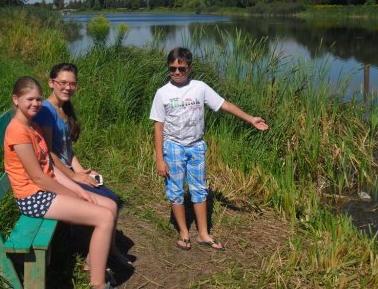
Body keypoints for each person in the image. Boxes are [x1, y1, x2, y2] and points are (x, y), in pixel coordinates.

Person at [150, 47, 269, 251]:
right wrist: (160, 159)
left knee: (199, 190)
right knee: (176, 191)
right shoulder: (162, 93)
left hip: (196, 147)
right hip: (174, 147)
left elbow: (225, 105)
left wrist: (251, 119)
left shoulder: (200, 88)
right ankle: (184, 233)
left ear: (190, 68)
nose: (177, 73)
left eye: (182, 68)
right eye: (172, 69)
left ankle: (203, 234)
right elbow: (158, 128)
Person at [4, 76, 116, 289]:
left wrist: (77, 188)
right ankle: (98, 284)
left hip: (45, 188)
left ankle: (94, 263)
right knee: (104, 217)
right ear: (16, 99)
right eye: (30, 99)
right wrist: (73, 194)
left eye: (38, 99)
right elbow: (38, 177)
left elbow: (50, 167)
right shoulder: (17, 131)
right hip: (33, 197)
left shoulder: (33, 126)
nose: (35, 104)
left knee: (109, 205)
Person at [33, 63, 133, 269]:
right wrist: (72, 176)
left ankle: (106, 250)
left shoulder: (64, 109)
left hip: (66, 171)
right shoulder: (46, 111)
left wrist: (81, 171)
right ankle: (103, 253)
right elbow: (49, 153)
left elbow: (68, 151)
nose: (67, 88)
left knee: (110, 196)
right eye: (62, 83)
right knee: (106, 201)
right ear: (51, 83)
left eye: (72, 84)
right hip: (55, 176)